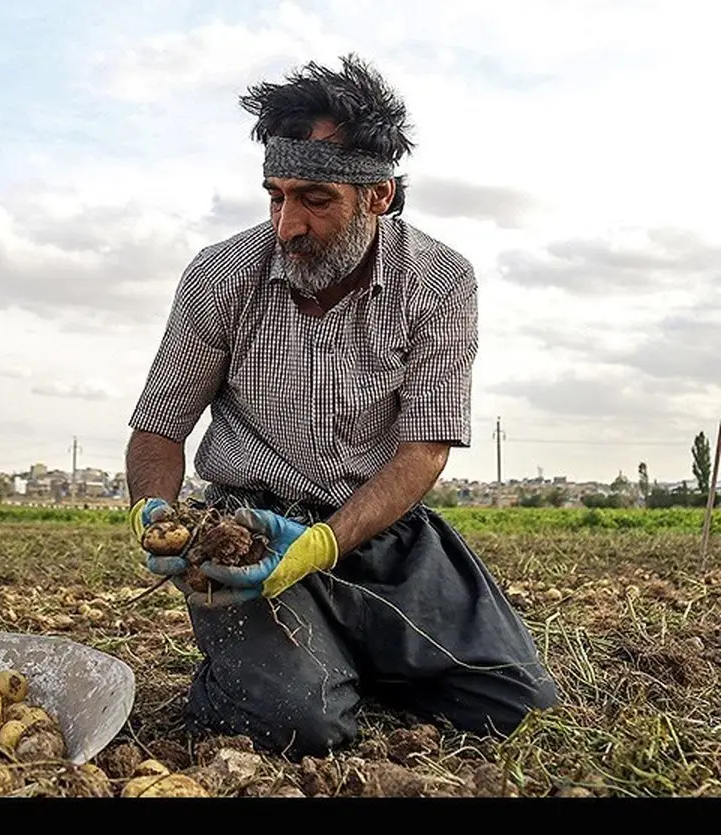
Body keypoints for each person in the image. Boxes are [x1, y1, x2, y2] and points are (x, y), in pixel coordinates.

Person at [124, 54, 558, 758]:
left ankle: (338, 655)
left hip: (379, 524)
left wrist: (326, 542)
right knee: (304, 727)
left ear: (378, 195)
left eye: (315, 199)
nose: (287, 224)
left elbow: (423, 449)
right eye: (275, 195)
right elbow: (158, 430)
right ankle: (262, 674)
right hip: (249, 530)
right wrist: (154, 513)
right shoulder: (219, 275)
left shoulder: (441, 283)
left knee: (512, 701)